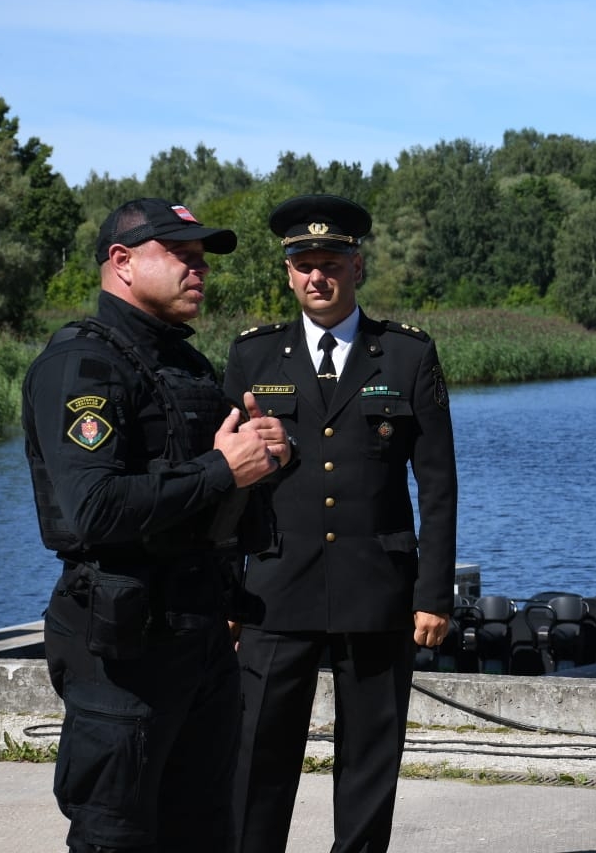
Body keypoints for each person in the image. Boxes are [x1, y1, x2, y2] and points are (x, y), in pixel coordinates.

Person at [22, 197, 291, 852]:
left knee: (207, 832)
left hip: (201, 636)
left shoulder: (186, 367)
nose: (199, 270)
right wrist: (221, 469)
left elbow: (213, 491)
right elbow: (94, 507)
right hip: (123, 647)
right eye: (181, 256)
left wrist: (266, 458)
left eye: (202, 259)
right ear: (122, 261)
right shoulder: (81, 366)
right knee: (116, 835)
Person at [224, 193, 458, 853]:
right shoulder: (253, 357)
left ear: (357, 266)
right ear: (288, 273)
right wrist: (225, 590)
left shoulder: (406, 355)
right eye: (304, 265)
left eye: (330, 263)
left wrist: (433, 594)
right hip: (275, 588)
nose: (317, 277)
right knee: (257, 755)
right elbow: (227, 483)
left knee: (370, 759)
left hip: (376, 588)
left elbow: (438, 484)